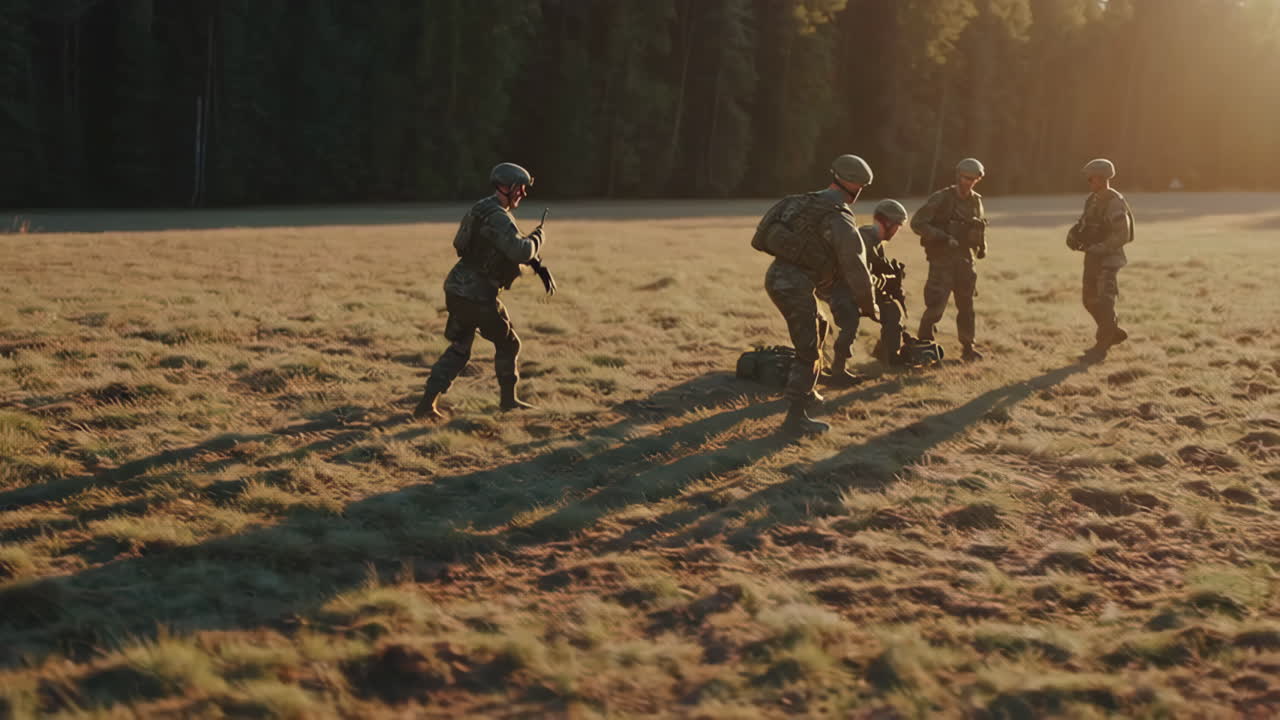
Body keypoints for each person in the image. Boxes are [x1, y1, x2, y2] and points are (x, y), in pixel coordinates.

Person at [413, 162, 556, 421]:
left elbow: (464, 243)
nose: (523, 194)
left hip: (457, 288)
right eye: (520, 188)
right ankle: (508, 402)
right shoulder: (499, 216)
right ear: (507, 187)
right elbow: (520, 251)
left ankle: (425, 406)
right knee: (509, 343)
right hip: (478, 294)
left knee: (459, 348)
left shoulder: (481, 208)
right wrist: (539, 237)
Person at [750, 155, 879, 435]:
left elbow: (762, 234)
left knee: (820, 327)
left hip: (777, 277)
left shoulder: (799, 201)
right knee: (807, 350)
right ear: (856, 186)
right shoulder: (840, 218)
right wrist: (869, 306)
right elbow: (856, 268)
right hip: (795, 286)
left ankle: (807, 393)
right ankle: (796, 420)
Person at [911, 158, 988, 362]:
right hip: (942, 260)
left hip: (965, 260)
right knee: (936, 307)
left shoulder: (976, 201)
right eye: (965, 178)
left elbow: (979, 225)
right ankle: (924, 348)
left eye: (973, 179)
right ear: (958, 176)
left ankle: (968, 348)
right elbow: (917, 223)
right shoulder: (941, 198)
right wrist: (943, 237)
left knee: (966, 306)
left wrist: (981, 246)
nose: (968, 182)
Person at [1067, 158, 1133, 363]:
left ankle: (1101, 346)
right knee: (1089, 300)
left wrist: (1101, 248)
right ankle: (1112, 330)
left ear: (1102, 178)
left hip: (1109, 259)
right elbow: (1085, 223)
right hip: (1092, 256)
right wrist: (1074, 235)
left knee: (1104, 301)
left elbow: (1123, 234)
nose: (1089, 182)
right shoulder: (1092, 199)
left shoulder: (1115, 202)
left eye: (1091, 178)